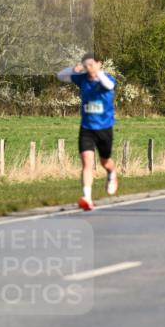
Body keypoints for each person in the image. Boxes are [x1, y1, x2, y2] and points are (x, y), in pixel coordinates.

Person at [57, 53, 118, 210]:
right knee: (87, 162)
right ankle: (87, 198)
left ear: (99, 64)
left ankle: (112, 173)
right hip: (87, 128)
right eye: (86, 66)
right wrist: (73, 69)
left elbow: (110, 86)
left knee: (105, 161)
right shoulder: (82, 78)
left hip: (104, 128)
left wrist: (98, 73)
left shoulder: (107, 79)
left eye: (92, 65)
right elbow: (60, 76)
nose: (89, 68)